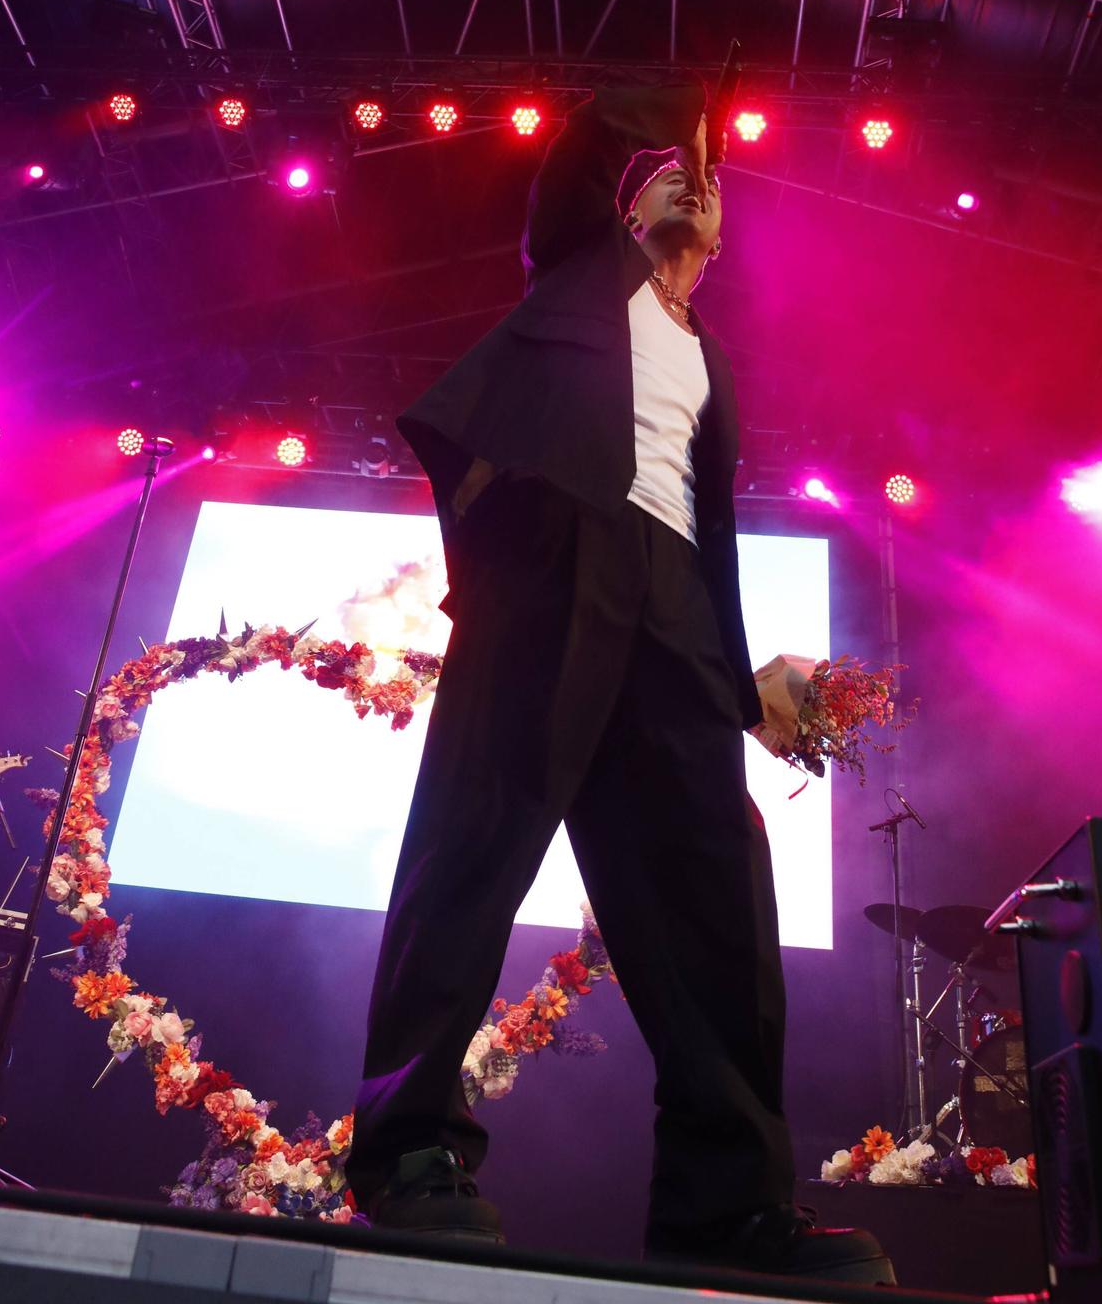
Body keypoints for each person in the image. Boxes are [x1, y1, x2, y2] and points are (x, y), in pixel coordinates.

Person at [348, 84, 892, 1285]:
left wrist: (742, 678)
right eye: (673, 177)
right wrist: (660, 142)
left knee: (718, 901)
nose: (698, 191)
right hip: (555, 557)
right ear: (620, 199)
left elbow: (700, 511)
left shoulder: (706, 351)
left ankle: (726, 1203)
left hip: (673, 596)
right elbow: (571, 170)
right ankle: (407, 1149)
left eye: (711, 184)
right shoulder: (576, 284)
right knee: (475, 844)